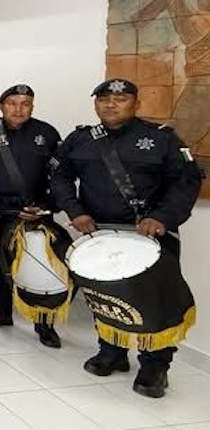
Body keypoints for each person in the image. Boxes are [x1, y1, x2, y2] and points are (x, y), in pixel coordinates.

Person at [51, 78, 203, 398]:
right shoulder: (80, 140)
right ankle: (112, 351)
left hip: (148, 234)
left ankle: (155, 367)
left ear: (136, 103)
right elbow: (60, 176)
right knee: (106, 296)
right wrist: (74, 211)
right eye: (104, 99)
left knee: (154, 301)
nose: (110, 104)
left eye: (120, 99)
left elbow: (187, 181)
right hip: (99, 233)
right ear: (96, 104)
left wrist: (161, 217)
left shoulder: (160, 139)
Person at [0, 84, 64, 348]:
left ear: (32, 107)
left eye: (25, 104)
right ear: (1, 106)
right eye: (12, 103)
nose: (18, 109)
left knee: (40, 267)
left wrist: (46, 206)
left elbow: (60, 178)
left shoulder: (46, 133)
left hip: (35, 212)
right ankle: (0, 313)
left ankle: (44, 323)